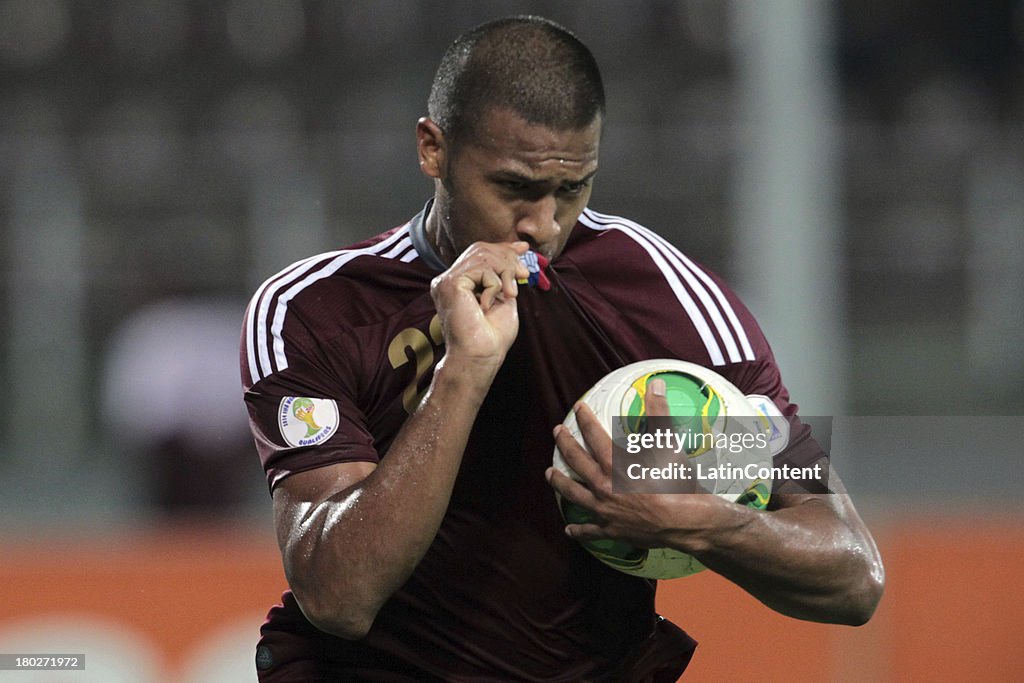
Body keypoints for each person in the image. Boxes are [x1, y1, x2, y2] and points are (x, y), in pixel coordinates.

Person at [240, 15, 884, 681]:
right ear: (433, 149)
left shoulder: (660, 308)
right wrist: (464, 372)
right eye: (515, 187)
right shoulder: (317, 309)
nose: (543, 226)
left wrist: (707, 524)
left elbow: (851, 569)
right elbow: (337, 595)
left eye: (572, 189)